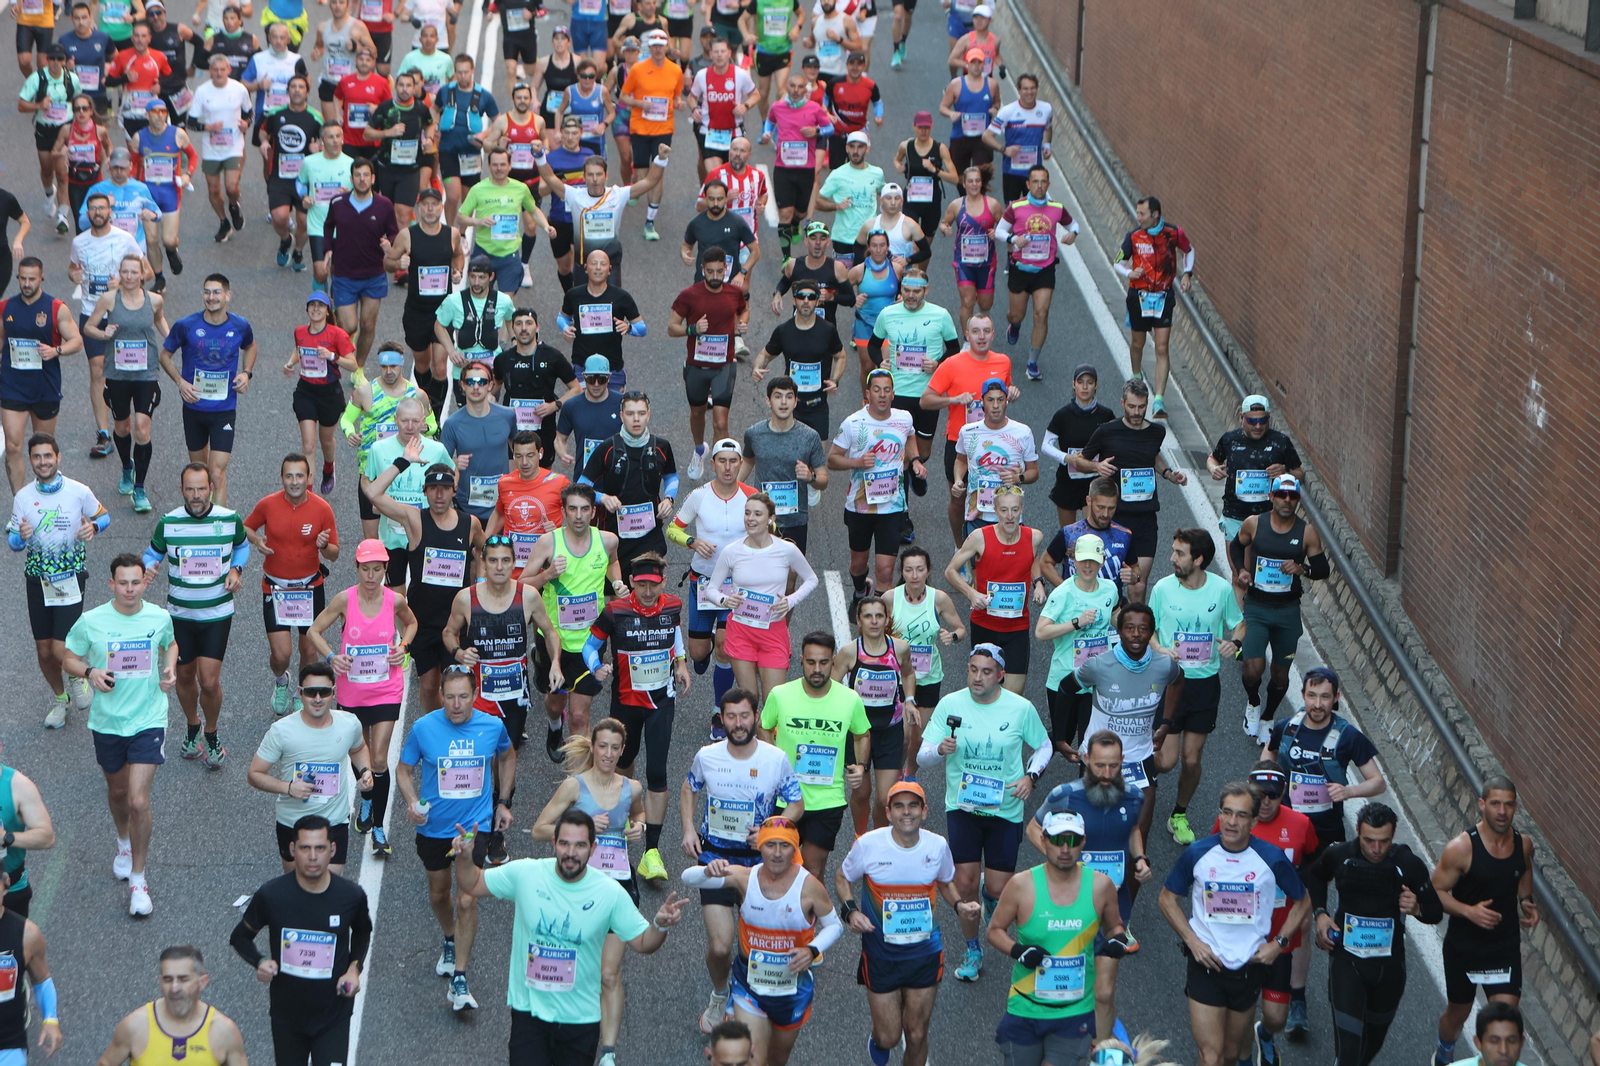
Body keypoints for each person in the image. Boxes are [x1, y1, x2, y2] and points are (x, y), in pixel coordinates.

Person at [453, 809, 686, 1066]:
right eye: (564, 844)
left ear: (593, 848)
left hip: (580, 1020)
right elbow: (472, 883)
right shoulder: (527, 874)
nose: (571, 853)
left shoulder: (609, 892)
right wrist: (464, 857)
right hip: (530, 1015)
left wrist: (659, 925)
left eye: (580, 845)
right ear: (554, 843)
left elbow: (643, 943)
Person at [1262, 667, 1386, 1035]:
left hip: (1321, 838)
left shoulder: (1347, 736)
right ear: (1303, 695)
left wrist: (1348, 792)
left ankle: (1296, 997)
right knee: (1268, 903)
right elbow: (1267, 759)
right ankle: (1258, 971)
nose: (1318, 704)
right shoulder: (1286, 727)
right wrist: (1263, 790)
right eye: (1312, 696)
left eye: (1325, 697)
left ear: (1336, 698)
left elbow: (1377, 781)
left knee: (1303, 915)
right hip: (1281, 832)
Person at [917, 642, 1051, 979]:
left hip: (1005, 809)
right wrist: (939, 750)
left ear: (1000, 675)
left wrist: (1031, 777)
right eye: (973, 670)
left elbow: (1044, 746)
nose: (978, 677)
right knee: (965, 885)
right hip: (962, 807)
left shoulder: (1020, 709)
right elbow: (922, 755)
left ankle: (992, 899)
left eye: (987, 672)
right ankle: (972, 949)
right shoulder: (951, 704)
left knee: (997, 887)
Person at [681, 688, 805, 1030]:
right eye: (731, 717)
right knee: (721, 947)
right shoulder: (707, 756)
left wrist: (771, 830)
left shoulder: (774, 758)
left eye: (745, 716)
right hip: (716, 859)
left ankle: (751, 999)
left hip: (761, 863)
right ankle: (720, 994)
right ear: (722, 719)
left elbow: (796, 804)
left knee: (757, 943)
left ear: (755, 717)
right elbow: (689, 788)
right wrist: (689, 830)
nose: (738, 724)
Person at [63, 552, 178, 916]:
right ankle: (123, 842)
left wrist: (170, 669)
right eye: (123, 583)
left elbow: (170, 644)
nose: (130, 589)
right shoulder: (91, 621)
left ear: (145, 583)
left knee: (138, 801)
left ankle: (139, 879)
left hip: (149, 718)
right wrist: (90, 672)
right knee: (117, 792)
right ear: (111, 584)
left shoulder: (159, 617)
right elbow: (68, 657)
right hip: (108, 722)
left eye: (136, 582)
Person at [1160, 783, 1308, 1066]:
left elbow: (1303, 901)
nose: (1231, 821)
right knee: (1210, 1056)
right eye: (1227, 812)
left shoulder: (1271, 857)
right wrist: (1193, 941)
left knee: (1230, 1054)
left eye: (1241, 815)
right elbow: (1167, 899)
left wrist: (1278, 944)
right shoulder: (1198, 853)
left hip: (1248, 968)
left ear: (1254, 821)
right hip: (1206, 965)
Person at [396, 665, 516, 1012]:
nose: (457, 704)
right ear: (441, 696)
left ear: (475, 695)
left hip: (475, 828)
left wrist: (503, 802)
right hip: (434, 829)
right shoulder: (423, 728)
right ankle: (450, 937)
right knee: (439, 895)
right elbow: (404, 770)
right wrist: (412, 802)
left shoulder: (492, 726)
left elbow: (508, 755)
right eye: (450, 697)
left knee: (466, 899)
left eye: (464, 696)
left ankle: (460, 977)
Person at [530, 720, 648, 1066]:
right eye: (603, 746)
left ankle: (608, 1053)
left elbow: (638, 813)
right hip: (576, 889)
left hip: (618, 887)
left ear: (622, 751)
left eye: (615, 748)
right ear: (593, 747)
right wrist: (580, 828)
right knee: (576, 968)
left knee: (608, 974)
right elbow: (539, 830)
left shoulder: (632, 787)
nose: (608, 754)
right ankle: (562, 1032)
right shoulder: (574, 787)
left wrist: (639, 826)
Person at [681, 817, 843, 1066]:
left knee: (776, 1060)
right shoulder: (745, 877)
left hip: (792, 988)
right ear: (760, 847)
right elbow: (687, 878)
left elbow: (834, 925)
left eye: (785, 846)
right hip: (750, 984)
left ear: (794, 848)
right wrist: (706, 871)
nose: (777, 853)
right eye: (770, 845)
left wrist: (812, 950)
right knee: (753, 1060)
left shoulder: (809, 886)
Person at [836, 780, 972, 1066]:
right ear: (888, 813)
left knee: (917, 1033)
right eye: (899, 806)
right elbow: (842, 877)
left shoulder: (937, 845)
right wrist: (850, 911)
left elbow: (945, 882)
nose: (906, 812)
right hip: (881, 954)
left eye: (913, 806)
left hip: (924, 953)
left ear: (925, 811)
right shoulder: (869, 845)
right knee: (888, 1037)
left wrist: (959, 905)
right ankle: (880, 1036)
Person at [1028, 730, 1151, 1037]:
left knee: (1105, 992)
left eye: (1113, 766)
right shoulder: (1064, 795)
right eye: (1099, 766)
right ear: (1086, 760)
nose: (1107, 774)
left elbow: (1132, 829)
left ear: (1122, 761)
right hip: (1069, 904)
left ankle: (1102, 1049)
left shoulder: (1134, 796)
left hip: (1113, 905)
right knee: (1064, 983)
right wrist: (1061, 863)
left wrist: (1139, 858)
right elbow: (1033, 828)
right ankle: (1057, 1042)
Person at [1303, 802, 1443, 1066]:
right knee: (1348, 1052)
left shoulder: (1408, 864)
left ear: (1393, 835)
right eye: (1369, 840)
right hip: (1346, 961)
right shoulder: (1340, 854)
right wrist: (1320, 914)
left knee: (1371, 1044)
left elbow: (1435, 912)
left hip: (1388, 967)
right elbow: (1316, 877)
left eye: (1384, 841)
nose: (1376, 849)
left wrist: (1417, 908)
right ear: (1357, 831)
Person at [990, 808, 1132, 1066]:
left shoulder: (1101, 886)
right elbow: (994, 930)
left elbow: (1115, 927)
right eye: (1057, 840)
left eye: (1073, 840)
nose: (1065, 849)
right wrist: (1017, 950)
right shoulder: (1021, 885)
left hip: (1075, 1011)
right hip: (1026, 1007)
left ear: (1083, 842)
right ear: (1043, 840)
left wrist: (1117, 940)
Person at [306, 538, 418, 860]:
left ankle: (379, 828)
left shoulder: (394, 600)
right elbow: (314, 631)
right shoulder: (345, 599)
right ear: (356, 568)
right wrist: (332, 657)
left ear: (385, 569)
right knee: (361, 759)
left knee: (379, 760)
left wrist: (403, 647)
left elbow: (411, 623)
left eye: (377, 570)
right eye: (365, 569)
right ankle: (366, 797)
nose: (371, 576)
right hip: (353, 692)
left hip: (386, 689)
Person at [229, 815, 372, 1065]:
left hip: (333, 1016)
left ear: (332, 850)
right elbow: (240, 936)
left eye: (320, 848)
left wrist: (354, 969)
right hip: (287, 1017)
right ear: (293, 849)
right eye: (305, 848)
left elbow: (362, 932)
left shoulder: (350, 896)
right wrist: (260, 961)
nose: (313, 856)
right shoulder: (272, 895)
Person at [143, 462, 248, 768]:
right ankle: (193, 725)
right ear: (182, 490)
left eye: (201, 488)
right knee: (185, 675)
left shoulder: (229, 519)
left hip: (217, 614)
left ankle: (211, 733)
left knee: (210, 681)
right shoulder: (169, 522)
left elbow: (242, 547)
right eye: (190, 489)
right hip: (180, 615)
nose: (196, 495)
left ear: (211, 489)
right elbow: (152, 553)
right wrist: (149, 566)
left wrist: (236, 569)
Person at [1432, 777, 1538, 1066]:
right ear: (1482, 805)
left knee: (1505, 1020)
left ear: (1515, 807)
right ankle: (1443, 1053)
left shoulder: (1523, 844)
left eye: (1508, 804)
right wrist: (1469, 911)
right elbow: (1434, 892)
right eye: (1495, 804)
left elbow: (1524, 870)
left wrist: (1526, 900)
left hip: (1503, 947)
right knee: (1458, 1014)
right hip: (1464, 947)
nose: (1502, 811)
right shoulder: (1461, 848)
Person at [365, 457, 481, 717]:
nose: (439, 495)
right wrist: (403, 461)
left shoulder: (470, 523)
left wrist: (481, 583)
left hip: (457, 621)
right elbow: (372, 493)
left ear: (454, 491)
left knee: (456, 684)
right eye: (433, 489)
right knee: (429, 686)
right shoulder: (414, 518)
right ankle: (436, 726)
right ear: (424, 491)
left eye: (445, 489)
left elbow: (483, 550)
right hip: (424, 620)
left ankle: (454, 729)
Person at [1149, 527, 1244, 844]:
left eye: (1179, 553)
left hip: (1204, 685)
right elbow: (1148, 628)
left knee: (1191, 759)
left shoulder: (1220, 590)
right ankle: (1137, 774)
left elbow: (1239, 624)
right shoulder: (1163, 589)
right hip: (1170, 682)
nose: (1172, 558)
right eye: (1174, 551)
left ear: (1199, 559)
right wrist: (1159, 648)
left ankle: (1178, 814)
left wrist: (1235, 643)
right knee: (1165, 760)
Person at [1222, 764, 1319, 1066]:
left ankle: (1264, 1034)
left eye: (1273, 795)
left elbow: (1313, 866)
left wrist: (1309, 911)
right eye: (1259, 795)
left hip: (1279, 936)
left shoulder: (1301, 824)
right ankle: (1244, 1060)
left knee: (1276, 1017)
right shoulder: (1233, 822)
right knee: (1243, 1009)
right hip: (1240, 935)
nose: (1265, 802)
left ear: (1284, 793)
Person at [8, 432, 106, 727]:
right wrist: (20, 537)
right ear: (30, 460)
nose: (43, 462)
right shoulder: (23, 497)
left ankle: (78, 676)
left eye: (47, 456)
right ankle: (61, 699)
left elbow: (104, 516)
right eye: (37, 457)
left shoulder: (78, 491)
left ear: (58, 457)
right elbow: (13, 542)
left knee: (59, 648)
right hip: (37, 579)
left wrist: (94, 528)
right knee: (43, 650)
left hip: (69, 577)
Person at [443, 532, 562, 770]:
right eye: (493, 560)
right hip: (479, 693)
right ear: (483, 563)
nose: (499, 567)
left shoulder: (528, 596)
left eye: (506, 560)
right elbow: (448, 632)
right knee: (480, 752)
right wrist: (458, 653)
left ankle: (502, 792)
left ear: (514, 563)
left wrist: (556, 664)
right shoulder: (466, 598)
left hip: (514, 692)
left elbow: (550, 632)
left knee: (508, 753)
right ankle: (483, 792)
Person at [760, 632, 869, 877]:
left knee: (812, 870)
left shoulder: (850, 699)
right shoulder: (780, 694)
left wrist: (861, 765)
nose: (817, 669)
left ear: (833, 662)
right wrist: (773, 759)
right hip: (785, 798)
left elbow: (862, 734)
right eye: (810, 662)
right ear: (801, 660)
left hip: (827, 800)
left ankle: (809, 903)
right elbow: (764, 727)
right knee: (777, 867)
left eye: (823, 662)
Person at [247, 663, 373, 875]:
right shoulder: (281, 731)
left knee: (330, 887)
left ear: (334, 692)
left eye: (324, 692)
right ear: (300, 693)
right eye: (310, 692)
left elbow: (358, 748)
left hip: (334, 822)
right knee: (297, 888)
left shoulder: (349, 724)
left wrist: (365, 770)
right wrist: (289, 788)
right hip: (293, 823)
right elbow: (254, 774)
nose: (317, 698)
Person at [521, 482, 620, 752]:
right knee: (555, 703)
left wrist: (617, 582)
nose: (578, 516)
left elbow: (612, 561)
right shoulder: (548, 543)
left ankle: (578, 777)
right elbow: (522, 584)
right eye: (573, 509)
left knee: (579, 716)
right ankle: (554, 727)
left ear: (593, 512)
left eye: (585, 509)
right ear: (563, 512)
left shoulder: (608, 540)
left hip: (590, 642)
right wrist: (547, 574)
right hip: (554, 640)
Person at [1075, 602, 1183, 842]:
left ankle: (1135, 863)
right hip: (1100, 758)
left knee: (1140, 831)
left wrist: (1166, 723)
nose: (1136, 634)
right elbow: (1065, 688)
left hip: (1140, 758)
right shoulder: (1099, 664)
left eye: (1143, 629)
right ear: (1119, 631)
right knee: (1093, 828)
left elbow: (1178, 679)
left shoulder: (1163, 664)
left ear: (1151, 633)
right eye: (1129, 628)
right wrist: (1062, 736)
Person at [668, 440, 756, 736]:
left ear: (741, 463)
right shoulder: (699, 496)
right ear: (713, 463)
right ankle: (703, 651)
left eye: (734, 461)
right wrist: (692, 542)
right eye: (722, 461)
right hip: (703, 582)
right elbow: (672, 529)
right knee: (697, 653)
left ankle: (720, 711)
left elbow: (769, 529)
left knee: (724, 646)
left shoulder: (751, 495)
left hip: (736, 587)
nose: (728, 468)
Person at [1071, 378, 1186, 603]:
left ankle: (1133, 624)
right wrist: (1096, 467)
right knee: (1105, 581)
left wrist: (1168, 474)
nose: (1136, 412)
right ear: (1123, 403)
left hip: (1145, 518)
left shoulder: (1156, 432)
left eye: (1141, 407)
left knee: (1138, 583)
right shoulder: (1106, 431)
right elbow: (1079, 461)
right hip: (1113, 517)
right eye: (1132, 406)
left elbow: (1153, 456)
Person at [1233, 474, 1329, 740]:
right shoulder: (1254, 524)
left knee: (1280, 673)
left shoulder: (1306, 532)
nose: (1287, 500)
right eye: (1282, 495)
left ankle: (1268, 716)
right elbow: (1236, 547)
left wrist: (1302, 569)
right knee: (1252, 668)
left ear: (1298, 500)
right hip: (1257, 607)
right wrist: (1241, 570)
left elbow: (1323, 570)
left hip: (1287, 611)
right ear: (1271, 496)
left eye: (1293, 496)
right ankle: (1253, 703)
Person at [243, 453, 340, 714]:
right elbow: (246, 527)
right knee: (281, 654)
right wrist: (257, 540)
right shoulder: (268, 504)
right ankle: (281, 680)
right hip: (276, 589)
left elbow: (334, 554)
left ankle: (300, 691)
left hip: (310, 588)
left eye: (299, 476)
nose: (294, 481)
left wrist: (324, 546)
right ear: (281, 478)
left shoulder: (322, 509)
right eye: (289, 476)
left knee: (309, 651)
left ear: (309, 478)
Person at [705, 491, 819, 701]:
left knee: (773, 701)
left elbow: (812, 579)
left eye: (757, 514)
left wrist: (790, 600)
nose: (751, 518)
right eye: (747, 513)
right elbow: (711, 589)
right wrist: (725, 600)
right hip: (741, 631)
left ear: (770, 519)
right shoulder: (732, 551)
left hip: (773, 631)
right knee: (750, 699)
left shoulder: (786, 550)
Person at [158, 272, 256, 504]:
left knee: (217, 473)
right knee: (199, 473)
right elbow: (164, 356)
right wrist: (180, 382)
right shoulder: (186, 325)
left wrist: (246, 372)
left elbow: (250, 347)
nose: (211, 297)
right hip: (194, 409)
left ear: (228, 295)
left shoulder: (240, 325)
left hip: (224, 411)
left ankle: (218, 522)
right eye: (207, 292)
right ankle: (201, 515)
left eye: (216, 292)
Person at [920, 313, 1016, 544]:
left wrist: (1013, 391)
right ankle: (960, 547)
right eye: (975, 331)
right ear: (967, 335)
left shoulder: (1003, 362)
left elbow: (1006, 388)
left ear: (993, 335)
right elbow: (925, 400)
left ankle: (992, 547)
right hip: (960, 444)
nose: (981, 336)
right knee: (959, 499)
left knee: (995, 497)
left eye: (986, 331)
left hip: (995, 443)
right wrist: (953, 400)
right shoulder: (952, 364)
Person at [830, 369, 921, 603]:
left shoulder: (904, 418)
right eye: (877, 390)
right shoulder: (853, 423)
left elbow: (910, 436)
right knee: (858, 564)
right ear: (868, 393)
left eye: (887, 390)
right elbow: (832, 459)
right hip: (860, 506)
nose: (882, 395)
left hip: (892, 506)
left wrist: (915, 460)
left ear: (893, 394)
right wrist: (857, 462)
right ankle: (860, 589)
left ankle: (878, 617)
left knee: (886, 571)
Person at [532, 134, 671, 286]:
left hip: (610, 264)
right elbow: (549, 177)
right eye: (590, 175)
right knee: (581, 301)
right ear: (584, 177)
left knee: (612, 301)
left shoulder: (618, 194)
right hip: (583, 264)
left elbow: (649, 181)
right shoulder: (574, 195)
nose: (595, 179)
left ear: (606, 176)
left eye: (599, 174)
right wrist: (539, 156)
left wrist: (661, 159)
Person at [70, 192, 148, 460]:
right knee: (97, 368)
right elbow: (72, 269)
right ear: (87, 213)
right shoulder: (79, 242)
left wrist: (124, 283)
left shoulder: (124, 239)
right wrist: (73, 275)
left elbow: (146, 272)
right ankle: (103, 433)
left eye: (102, 208)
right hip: (91, 312)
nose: (97, 212)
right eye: (93, 208)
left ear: (110, 212)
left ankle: (126, 423)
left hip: (121, 313)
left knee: (124, 370)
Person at [85, 253, 166, 512]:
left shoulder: (154, 300)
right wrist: (103, 333)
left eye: (134, 272)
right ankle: (126, 467)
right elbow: (88, 327)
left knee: (141, 428)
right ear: (120, 274)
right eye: (125, 272)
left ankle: (140, 488)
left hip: (146, 373)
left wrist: (173, 339)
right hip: (118, 373)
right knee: (122, 428)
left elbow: (159, 320)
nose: (129, 276)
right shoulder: (109, 299)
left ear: (143, 275)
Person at [944, 486, 1042, 692]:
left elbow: (1032, 558)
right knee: (984, 691)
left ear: (1022, 509)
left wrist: (1039, 583)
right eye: (1004, 510)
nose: (1010, 516)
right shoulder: (980, 537)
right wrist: (971, 593)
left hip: (1017, 628)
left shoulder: (1034, 537)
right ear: (995, 510)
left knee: (1014, 696)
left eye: (1015, 510)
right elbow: (950, 571)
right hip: (985, 625)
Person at [831, 593, 916, 832]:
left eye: (879, 616)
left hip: (890, 730)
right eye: (868, 616)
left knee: (884, 798)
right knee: (861, 793)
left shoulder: (899, 649)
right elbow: (832, 688)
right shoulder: (850, 652)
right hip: (858, 733)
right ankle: (860, 836)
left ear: (887, 619)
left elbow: (909, 673)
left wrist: (910, 700)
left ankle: (878, 838)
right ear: (859, 620)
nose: (874, 621)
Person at [1, 261, 83, 493]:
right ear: (18, 278)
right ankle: (19, 503)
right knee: (13, 446)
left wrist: (56, 350)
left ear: (41, 278)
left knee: (43, 449)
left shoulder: (56, 308)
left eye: (32, 279)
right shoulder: (6, 307)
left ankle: (44, 496)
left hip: (45, 387)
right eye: (23, 278)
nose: (27, 284)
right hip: (12, 385)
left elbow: (77, 341)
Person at [579, 391, 679, 579]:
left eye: (641, 413)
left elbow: (671, 475)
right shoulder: (607, 448)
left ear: (648, 415)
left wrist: (669, 498)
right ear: (622, 415)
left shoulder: (661, 446)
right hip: (615, 535)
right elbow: (582, 486)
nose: (636, 419)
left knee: (647, 584)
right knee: (617, 591)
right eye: (630, 413)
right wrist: (602, 498)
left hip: (649, 535)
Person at [1035, 532, 1118, 759]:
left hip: (1096, 679)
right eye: (1083, 560)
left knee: (1091, 743)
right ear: (1073, 559)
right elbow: (1040, 632)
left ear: (1102, 561)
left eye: (1093, 560)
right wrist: (1076, 623)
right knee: (1062, 737)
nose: (1087, 566)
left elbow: (1115, 616)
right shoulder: (1064, 592)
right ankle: (1032, 771)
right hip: (1065, 679)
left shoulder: (1110, 589)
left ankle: (1086, 780)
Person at [870, 268, 960, 474]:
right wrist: (880, 362)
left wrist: (938, 363)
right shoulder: (888, 313)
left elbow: (954, 348)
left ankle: (913, 471)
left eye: (916, 291)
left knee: (924, 451)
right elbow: (873, 345)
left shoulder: (940, 315)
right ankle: (903, 486)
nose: (911, 295)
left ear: (926, 290)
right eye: (906, 290)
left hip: (928, 393)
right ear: (901, 289)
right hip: (898, 392)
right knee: (898, 448)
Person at [96, 945, 248, 1066]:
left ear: (202, 982)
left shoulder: (224, 1031)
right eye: (168, 980)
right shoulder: (134, 1027)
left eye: (183, 979)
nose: (174, 988)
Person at [1208, 395, 1303, 586]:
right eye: (1252, 421)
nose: (1258, 426)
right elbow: (1213, 458)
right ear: (1242, 417)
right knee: (1240, 576)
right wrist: (1213, 469)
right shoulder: (1230, 440)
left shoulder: (1281, 442)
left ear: (1269, 418)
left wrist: (1284, 471)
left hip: (1268, 519)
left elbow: (1299, 474)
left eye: (1263, 420)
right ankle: (1241, 606)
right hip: (1235, 515)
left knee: (1261, 576)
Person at [671, 250, 751, 473]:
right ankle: (699, 450)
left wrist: (742, 324)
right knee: (697, 413)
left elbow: (744, 311)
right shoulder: (689, 295)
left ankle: (722, 471)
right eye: (710, 271)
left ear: (726, 269)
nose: (715, 276)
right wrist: (692, 329)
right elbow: (671, 328)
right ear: (702, 269)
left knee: (721, 422)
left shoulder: (734, 292)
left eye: (719, 271)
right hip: (696, 366)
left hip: (724, 365)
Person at [346, 351, 438, 543]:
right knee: (372, 539)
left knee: (407, 533)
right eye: (384, 367)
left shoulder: (417, 395)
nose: (389, 371)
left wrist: (425, 428)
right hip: (372, 470)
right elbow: (347, 419)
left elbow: (433, 425)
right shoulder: (365, 392)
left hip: (406, 471)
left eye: (393, 366)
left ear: (401, 365)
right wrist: (350, 433)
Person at [1116, 195, 1194, 419]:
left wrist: (1187, 274)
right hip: (1139, 297)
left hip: (1163, 297)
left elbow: (1189, 250)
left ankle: (1159, 400)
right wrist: (1129, 273)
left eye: (1142, 213)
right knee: (1137, 343)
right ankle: (1136, 376)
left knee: (1161, 348)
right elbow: (1118, 262)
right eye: (1137, 213)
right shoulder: (1133, 236)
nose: (1138, 217)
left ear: (1155, 214)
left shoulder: (1173, 233)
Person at [995, 165, 1076, 380]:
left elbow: (1073, 225)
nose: (1039, 186)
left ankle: (1032, 362)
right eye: (1035, 182)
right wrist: (1014, 239)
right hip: (1020, 269)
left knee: (1041, 313)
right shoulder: (1016, 207)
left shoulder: (1057, 208)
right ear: (1028, 184)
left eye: (1043, 182)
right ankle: (1014, 325)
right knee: (1017, 314)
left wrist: (1073, 234)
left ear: (1048, 184)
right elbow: (1000, 231)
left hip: (1045, 269)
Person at [324, 157, 399, 366]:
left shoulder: (384, 205)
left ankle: (358, 367)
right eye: (357, 175)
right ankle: (344, 339)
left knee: (368, 325)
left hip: (373, 275)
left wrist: (390, 244)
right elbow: (328, 226)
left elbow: (394, 233)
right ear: (351, 178)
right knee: (349, 326)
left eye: (366, 175)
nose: (362, 179)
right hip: (344, 274)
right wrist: (327, 249)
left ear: (373, 178)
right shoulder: (338, 203)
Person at [739, 377, 829, 550]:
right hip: (761, 519)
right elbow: (748, 461)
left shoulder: (810, 437)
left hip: (795, 520)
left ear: (795, 402)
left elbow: (823, 480)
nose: (783, 402)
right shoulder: (754, 434)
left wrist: (811, 477)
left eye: (788, 397)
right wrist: (730, 489)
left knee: (791, 569)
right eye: (778, 396)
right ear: (768, 401)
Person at [754, 281, 847, 444]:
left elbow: (841, 356)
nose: (805, 301)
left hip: (817, 406)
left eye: (811, 297)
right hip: (789, 406)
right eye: (801, 296)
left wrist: (835, 380)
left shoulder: (827, 330)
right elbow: (765, 355)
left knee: (818, 457)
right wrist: (757, 367)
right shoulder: (784, 330)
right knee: (788, 455)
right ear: (793, 300)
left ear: (817, 302)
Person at [285, 292, 357, 493]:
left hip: (329, 394)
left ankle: (329, 468)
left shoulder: (337, 334)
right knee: (308, 446)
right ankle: (307, 493)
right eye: (312, 305)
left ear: (327, 311)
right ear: (307, 309)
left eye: (321, 305)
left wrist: (332, 356)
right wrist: (290, 362)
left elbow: (353, 364)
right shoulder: (300, 331)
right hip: (305, 391)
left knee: (326, 440)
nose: (316, 309)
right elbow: (299, 349)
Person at [618, 30, 685, 240]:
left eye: (661, 45)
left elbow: (676, 96)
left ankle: (650, 221)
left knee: (657, 175)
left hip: (663, 129)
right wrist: (639, 103)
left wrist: (679, 104)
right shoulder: (638, 69)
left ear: (666, 47)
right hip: (640, 128)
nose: (657, 49)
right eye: (654, 45)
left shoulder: (675, 70)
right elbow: (623, 96)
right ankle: (637, 188)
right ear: (649, 47)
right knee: (642, 175)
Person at [457, 148, 552, 296]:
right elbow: (460, 217)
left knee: (506, 303)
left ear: (509, 166)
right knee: (480, 300)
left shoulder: (520, 188)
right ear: (489, 166)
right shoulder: (478, 189)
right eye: (495, 165)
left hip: (509, 254)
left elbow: (534, 210)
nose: (499, 168)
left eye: (502, 164)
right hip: (484, 252)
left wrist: (546, 226)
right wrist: (478, 221)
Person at [493, 310, 579, 465]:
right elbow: (495, 385)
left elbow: (576, 389)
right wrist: (489, 400)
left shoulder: (553, 356)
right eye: (519, 324)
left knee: (542, 476)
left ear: (537, 327)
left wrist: (554, 405)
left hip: (543, 429)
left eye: (528, 323)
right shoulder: (503, 359)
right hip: (512, 430)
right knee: (514, 475)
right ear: (513, 329)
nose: (524, 328)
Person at [761, 73, 833, 260]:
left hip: (805, 169)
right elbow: (770, 121)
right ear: (787, 87)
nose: (795, 90)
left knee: (800, 212)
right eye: (792, 86)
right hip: (783, 168)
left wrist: (816, 130)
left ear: (804, 90)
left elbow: (830, 128)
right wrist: (767, 133)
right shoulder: (778, 107)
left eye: (800, 87)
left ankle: (795, 223)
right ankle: (786, 258)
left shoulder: (814, 108)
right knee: (784, 213)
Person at [952, 377, 1038, 532]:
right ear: (982, 402)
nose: (996, 405)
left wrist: (1018, 478)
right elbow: (961, 460)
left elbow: (1034, 471)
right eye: (990, 400)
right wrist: (958, 479)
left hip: (1010, 518)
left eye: (1000, 399)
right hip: (977, 514)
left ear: (1007, 401)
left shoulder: (1023, 432)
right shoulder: (968, 431)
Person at [440, 358, 519, 523]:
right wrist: (454, 462)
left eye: (481, 382)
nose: (476, 387)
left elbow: (518, 449)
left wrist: (515, 481)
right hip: (466, 507)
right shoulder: (452, 424)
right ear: (462, 385)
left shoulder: (508, 416)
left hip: (502, 505)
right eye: (470, 382)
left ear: (490, 385)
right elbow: (440, 465)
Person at [129, 98, 194, 289]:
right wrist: (131, 187)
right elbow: (134, 165)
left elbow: (193, 155)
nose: (160, 116)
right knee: (151, 239)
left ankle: (172, 250)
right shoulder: (139, 138)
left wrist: (187, 174)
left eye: (163, 112)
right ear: (147, 115)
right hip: (147, 195)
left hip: (170, 193)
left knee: (168, 240)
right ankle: (160, 278)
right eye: (155, 112)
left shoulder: (178, 135)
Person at [433, 262, 516, 410]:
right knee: (466, 412)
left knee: (488, 411)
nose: (476, 282)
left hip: (492, 368)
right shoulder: (453, 300)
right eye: (473, 277)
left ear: (491, 277)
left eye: (481, 277)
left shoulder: (503, 301)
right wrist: (451, 351)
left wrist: (514, 342)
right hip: (463, 368)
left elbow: (511, 319)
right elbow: (439, 325)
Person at [1042, 363, 1115, 529]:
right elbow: (1046, 445)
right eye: (1080, 382)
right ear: (1073, 385)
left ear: (1096, 385)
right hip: (1068, 481)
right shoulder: (1063, 415)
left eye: (1089, 382)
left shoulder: (1106, 415)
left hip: (1095, 481)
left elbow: (1115, 442)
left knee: (1091, 532)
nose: (1085, 387)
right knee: (1069, 535)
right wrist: (1066, 457)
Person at [557, 251, 646, 387]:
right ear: (586, 268)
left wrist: (628, 328)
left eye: (603, 264)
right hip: (582, 367)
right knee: (583, 401)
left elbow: (642, 329)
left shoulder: (622, 297)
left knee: (613, 402)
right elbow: (562, 317)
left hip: (612, 368)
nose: (598, 267)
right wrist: (565, 328)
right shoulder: (573, 295)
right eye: (594, 263)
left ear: (609, 269)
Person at [488, 432, 571, 578]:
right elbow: (499, 513)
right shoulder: (505, 483)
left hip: (545, 568)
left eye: (530, 455)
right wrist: (484, 542)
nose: (524, 462)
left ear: (540, 453)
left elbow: (576, 517)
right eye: (519, 456)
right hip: (512, 568)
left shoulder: (559, 482)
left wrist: (559, 531)